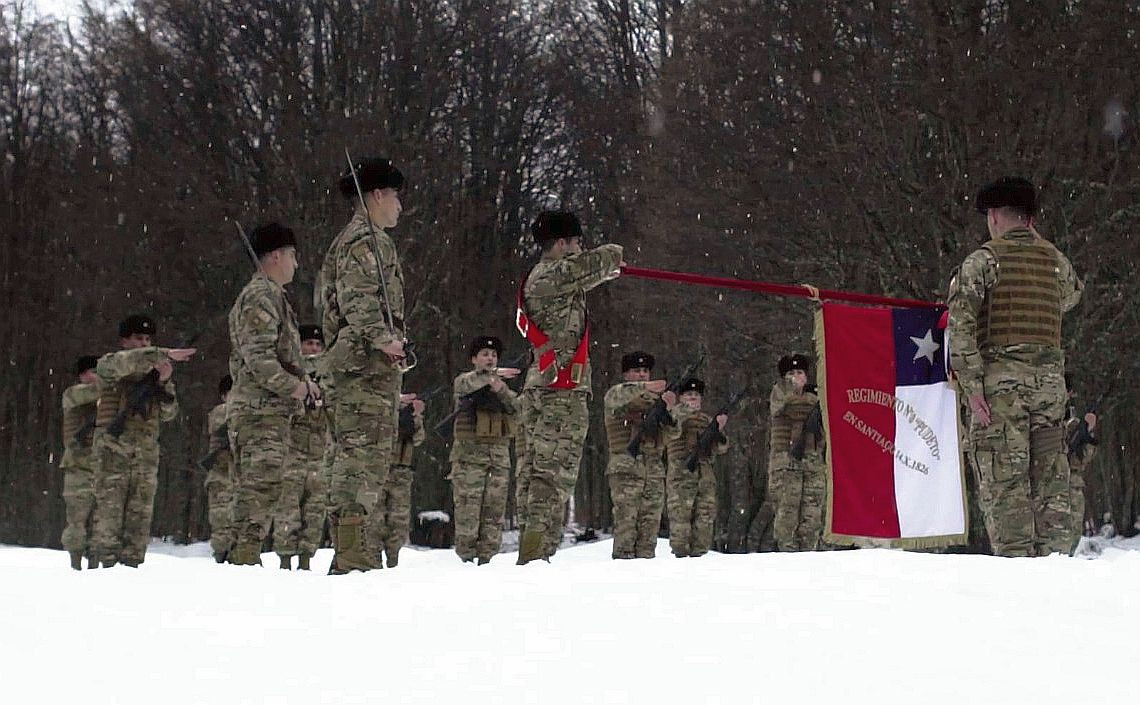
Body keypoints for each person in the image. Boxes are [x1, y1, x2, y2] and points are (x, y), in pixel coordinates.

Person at [948, 177, 1083, 557]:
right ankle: (1055, 565)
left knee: (1006, 488)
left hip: (1000, 395)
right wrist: (1039, 244)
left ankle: (1016, 576)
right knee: (1051, 484)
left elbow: (960, 328)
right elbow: (1071, 295)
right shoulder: (1054, 261)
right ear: (1030, 219)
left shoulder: (982, 262)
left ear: (993, 216)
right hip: (1049, 393)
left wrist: (972, 388)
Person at [515, 210, 623, 564]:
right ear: (561, 244)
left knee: (537, 473)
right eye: (577, 243)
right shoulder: (553, 274)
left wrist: (602, 272)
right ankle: (534, 555)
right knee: (552, 474)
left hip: (548, 387)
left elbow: (588, 273)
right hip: (558, 391)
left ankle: (535, 551)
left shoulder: (551, 278)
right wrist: (609, 263)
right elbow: (607, 256)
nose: (580, 249)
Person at [318, 157, 408, 574]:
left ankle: (354, 553)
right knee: (360, 463)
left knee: (360, 460)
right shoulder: (365, 241)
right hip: (363, 371)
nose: (398, 207)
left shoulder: (358, 240)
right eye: (394, 197)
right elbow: (359, 300)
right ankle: (353, 558)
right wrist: (384, 339)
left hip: (361, 369)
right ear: (376, 196)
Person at [226, 222, 316, 566]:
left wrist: (305, 382)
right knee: (258, 489)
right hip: (260, 412)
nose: (296, 263)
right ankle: (242, 559)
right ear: (276, 256)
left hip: (272, 412)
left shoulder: (272, 296)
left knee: (265, 488)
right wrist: (296, 387)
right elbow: (259, 358)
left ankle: (245, 557)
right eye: (292, 256)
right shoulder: (260, 296)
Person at [89, 315, 195, 567]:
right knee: (108, 516)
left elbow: (169, 414)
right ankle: (101, 570)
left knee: (139, 518)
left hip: (145, 455)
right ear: (124, 341)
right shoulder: (109, 364)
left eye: (148, 339)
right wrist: (164, 353)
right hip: (113, 452)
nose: (144, 343)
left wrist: (163, 382)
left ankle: (131, 569)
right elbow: (128, 362)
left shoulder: (155, 373)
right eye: (138, 338)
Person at [447, 336, 521, 564]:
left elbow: (517, 408)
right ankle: (466, 559)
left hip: (497, 459)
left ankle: (488, 558)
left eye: (494, 355)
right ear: (474, 359)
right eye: (485, 355)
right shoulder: (465, 381)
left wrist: (501, 389)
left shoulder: (501, 387)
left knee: (493, 512)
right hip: (469, 458)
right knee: (468, 511)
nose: (490, 359)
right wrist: (495, 377)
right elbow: (469, 388)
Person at [602, 351, 671, 559]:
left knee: (649, 530)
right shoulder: (616, 393)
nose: (642, 375)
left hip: (653, 470)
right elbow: (622, 398)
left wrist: (668, 407)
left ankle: (644, 576)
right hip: (626, 467)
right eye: (636, 371)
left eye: (645, 371)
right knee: (626, 525)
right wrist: (646, 390)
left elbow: (673, 432)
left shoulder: (657, 402)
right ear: (626, 375)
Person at [272, 324, 330, 570]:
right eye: (309, 344)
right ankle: (285, 558)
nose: (313, 348)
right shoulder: (290, 373)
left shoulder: (329, 373)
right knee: (288, 508)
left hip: (319, 452)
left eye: (318, 345)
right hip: (292, 450)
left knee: (315, 510)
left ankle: (306, 559)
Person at [767, 354, 826, 551]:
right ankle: (788, 556)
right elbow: (791, 406)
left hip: (812, 462)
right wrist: (806, 393)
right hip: (786, 462)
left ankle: (808, 555)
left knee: (812, 514)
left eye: (800, 372)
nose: (796, 377)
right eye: (791, 373)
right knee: (787, 513)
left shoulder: (818, 397)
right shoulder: (779, 392)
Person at [664, 377, 729, 557]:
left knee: (704, 520)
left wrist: (719, 431)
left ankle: (699, 557)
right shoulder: (673, 415)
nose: (693, 398)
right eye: (688, 394)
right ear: (681, 397)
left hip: (705, 477)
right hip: (681, 475)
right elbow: (670, 433)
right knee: (681, 521)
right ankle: (681, 558)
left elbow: (722, 448)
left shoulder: (707, 420)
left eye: (696, 395)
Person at [371, 392, 425, 568]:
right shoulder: (379, 408)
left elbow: (418, 439)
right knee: (375, 518)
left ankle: (393, 559)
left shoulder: (409, 416)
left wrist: (416, 416)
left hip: (402, 472)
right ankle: (374, 559)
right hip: (378, 470)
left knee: (399, 520)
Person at [60, 354, 102, 570]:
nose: (98, 377)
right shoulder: (72, 393)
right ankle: (75, 564)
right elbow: (94, 392)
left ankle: (94, 565)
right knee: (77, 522)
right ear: (83, 374)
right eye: (95, 372)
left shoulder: (102, 401)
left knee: (99, 524)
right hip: (78, 467)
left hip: (100, 467)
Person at [1063, 373, 1099, 540]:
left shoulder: (1073, 421)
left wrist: (1088, 432)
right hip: (1051, 487)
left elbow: (1082, 459)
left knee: (1072, 539)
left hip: (1072, 484)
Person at [203, 375, 235, 563]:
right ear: (224, 396)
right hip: (221, 476)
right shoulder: (220, 412)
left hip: (237, 477)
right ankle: (221, 557)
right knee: (222, 521)